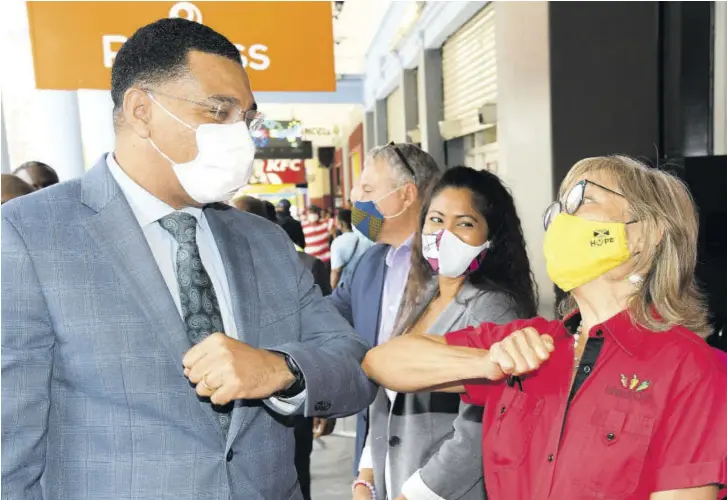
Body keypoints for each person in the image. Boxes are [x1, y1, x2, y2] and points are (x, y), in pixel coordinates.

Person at [2, 18, 376, 500]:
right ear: (141, 111)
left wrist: (281, 369)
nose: (242, 135)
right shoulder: (31, 234)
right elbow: (10, 451)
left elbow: (354, 364)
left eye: (247, 118)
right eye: (219, 111)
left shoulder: (264, 242)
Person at [362, 156, 727, 500]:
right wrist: (486, 363)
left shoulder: (688, 367)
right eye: (559, 209)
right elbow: (382, 362)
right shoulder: (531, 343)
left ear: (644, 236)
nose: (560, 221)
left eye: (583, 200)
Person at [358, 166, 538, 500]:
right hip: (391, 483)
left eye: (465, 223)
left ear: (492, 237)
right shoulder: (422, 296)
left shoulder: (493, 308)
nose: (445, 234)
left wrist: (414, 495)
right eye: (437, 220)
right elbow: (387, 395)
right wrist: (366, 476)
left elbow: (480, 428)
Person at [327, 142, 440, 483]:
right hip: (374, 461)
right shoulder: (369, 263)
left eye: (367, 189)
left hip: (436, 462)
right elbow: (328, 318)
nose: (353, 198)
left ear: (407, 195)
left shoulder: (454, 265)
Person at [329, 208, 373, 290]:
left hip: (347, 287)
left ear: (341, 224)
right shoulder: (364, 237)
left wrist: (332, 291)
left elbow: (336, 271)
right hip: (366, 282)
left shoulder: (337, 242)